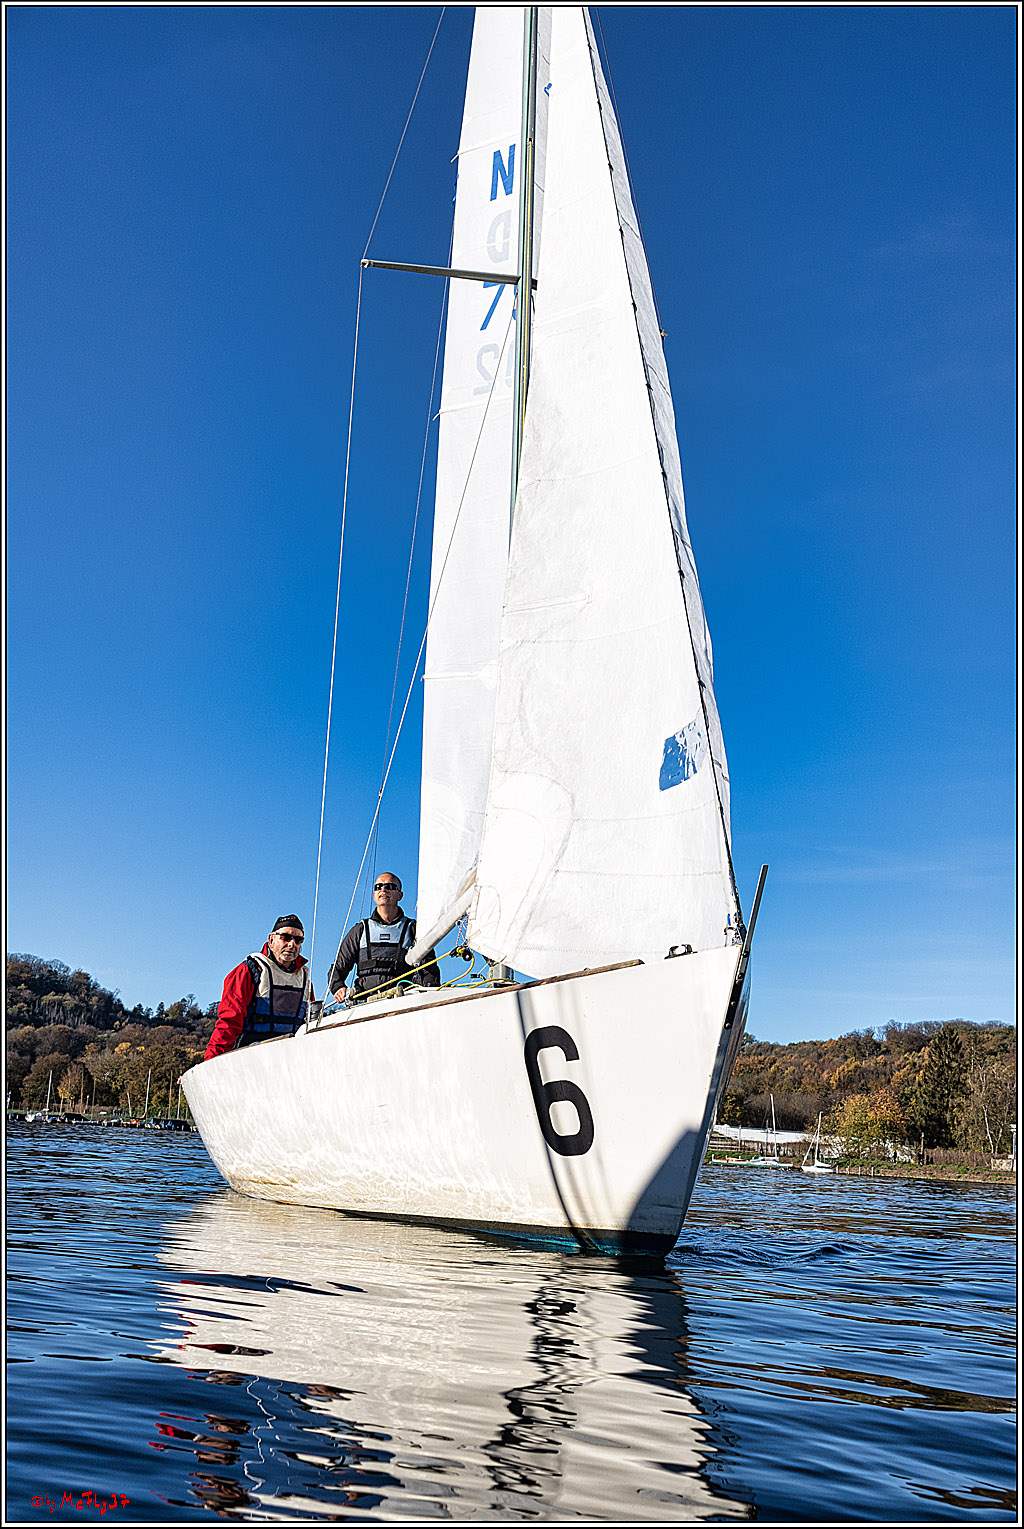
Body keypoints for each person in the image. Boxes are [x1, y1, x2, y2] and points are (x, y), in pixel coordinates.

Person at [204, 915, 315, 1060]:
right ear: (271, 940)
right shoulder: (248, 971)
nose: (291, 944)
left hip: (292, 1057)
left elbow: (311, 1025)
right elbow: (228, 1022)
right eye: (285, 937)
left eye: (298, 940)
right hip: (251, 1056)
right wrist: (211, 1062)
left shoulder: (305, 980)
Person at [328, 873, 439, 1003]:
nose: (383, 890)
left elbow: (430, 970)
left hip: (404, 1001)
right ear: (374, 895)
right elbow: (338, 967)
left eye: (390, 886)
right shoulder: (360, 930)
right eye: (378, 887)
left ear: (400, 895)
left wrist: (430, 998)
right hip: (364, 1002)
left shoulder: (413, 929)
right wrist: (338, 987)